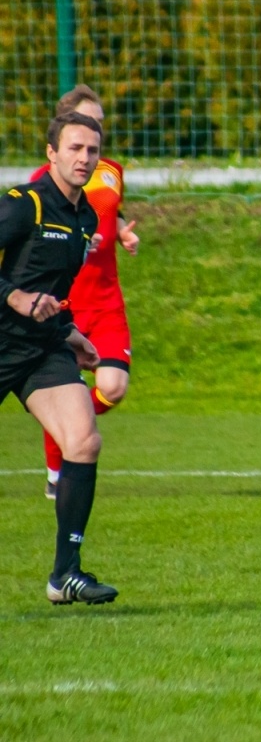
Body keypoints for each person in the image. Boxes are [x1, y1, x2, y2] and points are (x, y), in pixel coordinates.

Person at [1, 111, 117, 604]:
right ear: (51, 153)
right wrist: (14, 298)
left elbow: (53, 289)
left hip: (41, 347)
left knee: (83, 439)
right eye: (74, 148)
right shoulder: (23, 205)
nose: (83, 158)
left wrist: (70, 334)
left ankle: (65, 574)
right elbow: (23, 288)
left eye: (91, 150)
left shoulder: (84, 216)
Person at [32, 85, 139, 499]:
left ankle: (62, 423)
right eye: (85, 122)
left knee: (112, 387)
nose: (94, 132)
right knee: (69, 393)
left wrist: (123, 232)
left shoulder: (111, 170)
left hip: (107, 302)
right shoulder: (44, 181)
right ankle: (60, 462)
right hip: (67, 304)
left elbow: (110, 209)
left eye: (99, 123)